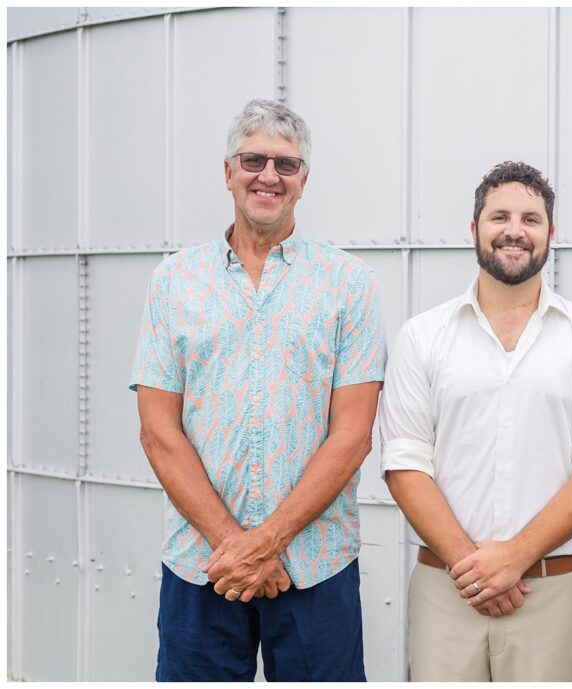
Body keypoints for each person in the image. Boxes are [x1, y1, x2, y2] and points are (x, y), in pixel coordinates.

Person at [130, 98, 385, 681]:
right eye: (253, 160)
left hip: (316, 566)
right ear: (227, 173)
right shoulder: (174, 281)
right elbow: (157, 431)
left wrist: (269, 541)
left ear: (303, 182)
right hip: (203, 565)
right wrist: (238, 549)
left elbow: (353, 435)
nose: (269, 175)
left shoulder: (350, 284)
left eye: (286, 165)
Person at [379, 161, 572, 681]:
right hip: (446, 593)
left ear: (550, 235)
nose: (514, 230)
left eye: (530, 219)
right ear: (474, 230)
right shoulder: (422, 336)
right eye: (499, 217)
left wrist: (514, 557)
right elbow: (404, 461)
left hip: (551, 593)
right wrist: (474, 569)